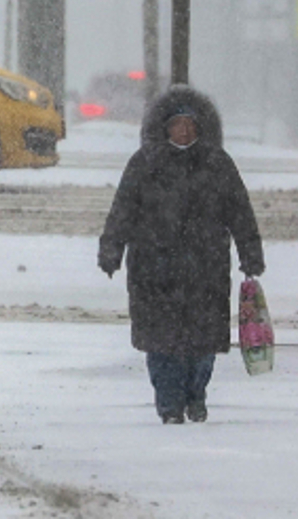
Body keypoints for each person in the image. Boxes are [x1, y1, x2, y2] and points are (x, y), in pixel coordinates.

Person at [98, 85, 265, 424]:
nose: (184, 130)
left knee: (203, 345)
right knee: (161, 345)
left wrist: (251, 253)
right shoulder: (144, 164)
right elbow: (123, 211)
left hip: (206, 268)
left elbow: (240, 212)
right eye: (178, 123)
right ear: (164, 127)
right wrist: (111, 249)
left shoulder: (217, 163)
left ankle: (196, 395)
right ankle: (169, 403)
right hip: (153, 270)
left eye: (190, 123)